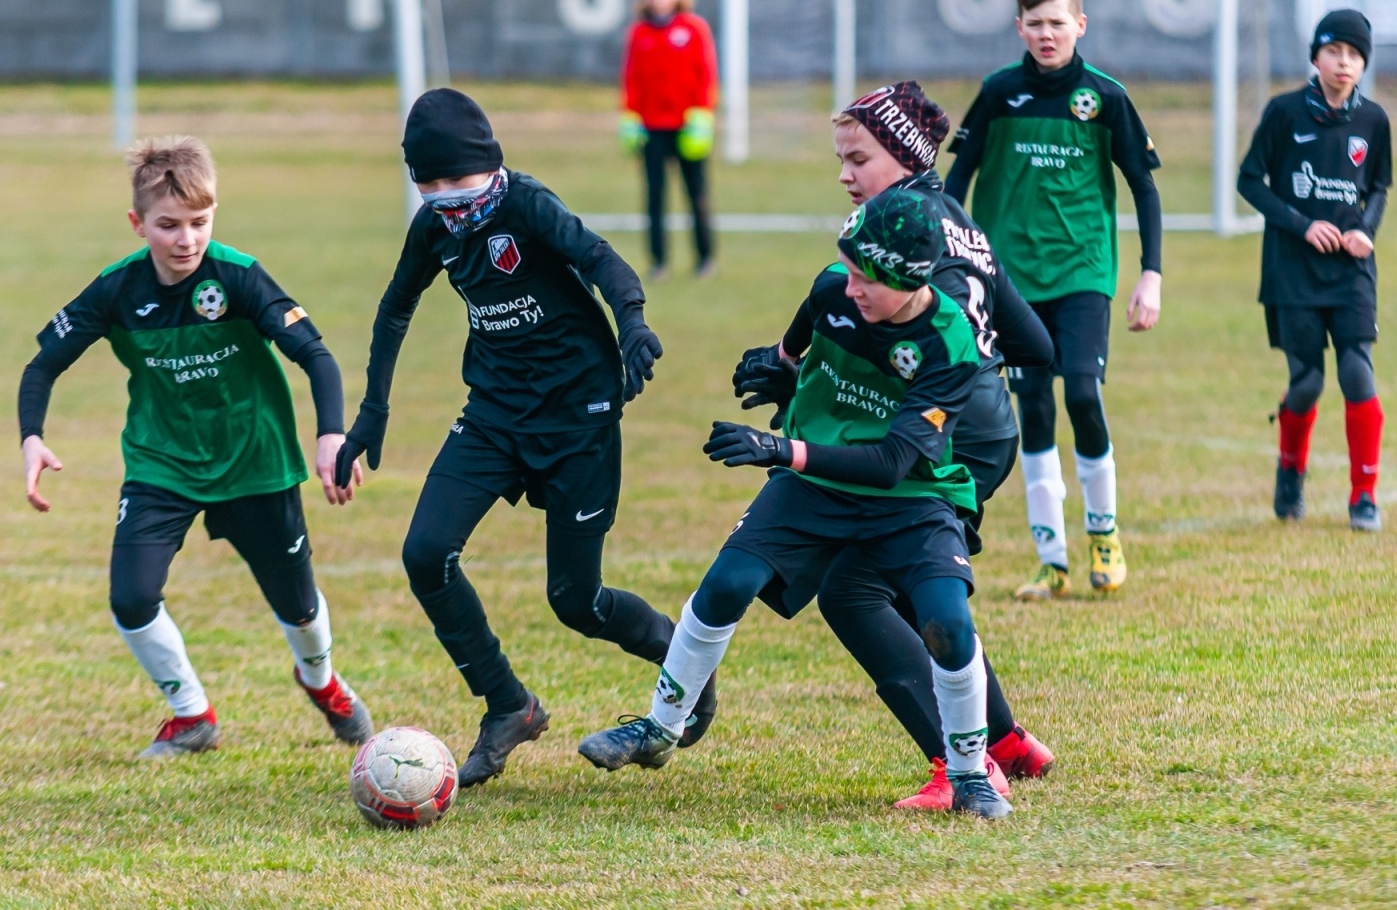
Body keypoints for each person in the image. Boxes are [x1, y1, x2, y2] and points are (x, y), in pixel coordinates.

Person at [577, 185, 1014, 820]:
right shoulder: (835, 288)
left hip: (912, 494)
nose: (853, 284)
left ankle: (972, 775)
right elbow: (803, 329)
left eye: (871, 278)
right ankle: (660, 729)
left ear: (913, 280)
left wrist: (781, 450)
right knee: (727, 584)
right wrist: (779, 365)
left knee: (948, 620)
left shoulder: (951, 345)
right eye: (852, 266)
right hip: (813, 484)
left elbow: (894, 463)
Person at [333, 88, 712, 789]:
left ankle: (680, 655)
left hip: (580, 415)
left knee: (576, 601)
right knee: (425, 553)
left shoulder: (524, 204)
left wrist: (631, 322)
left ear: (490, 164)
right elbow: (394, 311)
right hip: (496, 413)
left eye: (457, 178)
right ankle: (508, 704)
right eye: (429, 181)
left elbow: (603, 261)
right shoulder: (434, 229)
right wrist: (372, 414)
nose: (445, 195)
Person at [730, 82, 1058, 810]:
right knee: (916, 591)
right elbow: (1032, 343)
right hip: (985, 428)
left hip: (943, 437)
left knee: (854, 592)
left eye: (858, 158)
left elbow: (889, 350)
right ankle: (1005, 742)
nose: (846, 174)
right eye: (841, 159)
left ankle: (960, 768)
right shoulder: (953, 222)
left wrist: (805, 391)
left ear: (903, 158)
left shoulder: (902, 234)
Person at [17, 136, 372, 758]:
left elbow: (316, 356)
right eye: (168, 226)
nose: (186, 240)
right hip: (164, 464)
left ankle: (321, 683)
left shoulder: (237, 275)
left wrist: (331, 435)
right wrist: (32, 438)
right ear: (137, 224)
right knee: (130, 597)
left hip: (256, 463)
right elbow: (41, 367)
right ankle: (192, 715)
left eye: (199, 223)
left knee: (298, 607)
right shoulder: (117, 290)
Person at [945, 0, 1164, 603]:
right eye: (1035, 24)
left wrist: (1150, 275)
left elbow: (1144, 188)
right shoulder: (999, 93)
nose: (1047, 34)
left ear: (1080, 26)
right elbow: (957, 181)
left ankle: (1104, 534)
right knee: (1033, 404)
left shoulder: (1106, 98)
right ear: (1020, 27)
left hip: (1083, 270)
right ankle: (1052, 558)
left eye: (1058, 24)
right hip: (1007, 278)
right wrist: (946, 251)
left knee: (1085, 396)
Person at [1237, 10, 1391, 531]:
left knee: (1356, 372)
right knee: (1306, 384)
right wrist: (1302, 225)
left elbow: (1377, 188)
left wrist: (1366, 230)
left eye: (1353, 55)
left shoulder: (1374, 121)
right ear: (1316, 57)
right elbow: (1249, 181)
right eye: (1334, 52)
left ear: (1362, 63)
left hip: (1351, 273)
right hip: (1293, 269)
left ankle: (1364, 495)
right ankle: (1289, 470)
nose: (1343, 63)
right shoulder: (1283, 114)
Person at [619, 0, 718, 280]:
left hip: (688, 126)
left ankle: (705, 258)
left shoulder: (693, 28)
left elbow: (706, 72)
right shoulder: (639, 33)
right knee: (655, 197)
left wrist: (702, 113)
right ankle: (658, 261)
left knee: (696, 193)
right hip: (652, 127)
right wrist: (631, 115)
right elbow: (632, 76)